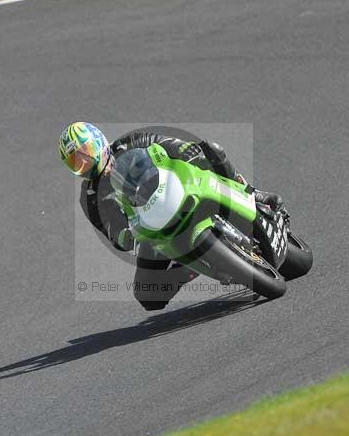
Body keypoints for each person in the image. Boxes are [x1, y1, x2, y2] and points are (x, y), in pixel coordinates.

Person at [59, 122, 283, 311]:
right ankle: (189, 268)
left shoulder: (132, 142)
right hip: (152, 226)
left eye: (85, 153)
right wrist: (123, 236)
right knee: (147, 296)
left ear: (98, 141)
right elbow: (110, 229)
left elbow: (167, 144)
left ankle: (253, 194)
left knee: (213, 151)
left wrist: (185, 149)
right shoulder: (90, 197)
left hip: (179, 191)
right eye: (76, 163)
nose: (84, 163)